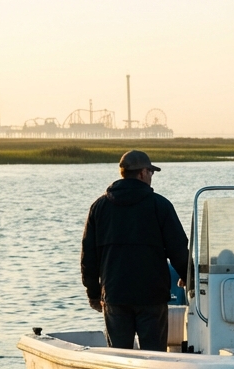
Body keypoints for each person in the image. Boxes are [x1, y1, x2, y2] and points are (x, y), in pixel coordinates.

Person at [80, 150, 189, 350]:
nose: (151, 177)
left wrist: (94, 294)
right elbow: (179, 249)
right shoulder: (160, 205)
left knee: (119, 357)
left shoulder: (99, 207)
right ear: (141, 173)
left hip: (115, 294)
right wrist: (188, 278)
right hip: (152, 296)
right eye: (151, 172)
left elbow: (89, 257)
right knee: (155, 357)